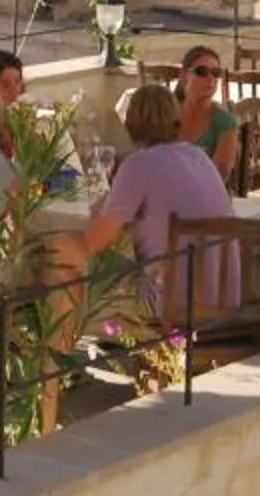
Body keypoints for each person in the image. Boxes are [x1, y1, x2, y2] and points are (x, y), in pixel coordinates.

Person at [86, 80, 236, 312]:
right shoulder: (199, 157)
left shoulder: (138, 164)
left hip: (171, 308)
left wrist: (98, 214)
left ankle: (56, 342)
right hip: (224, 305)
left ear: (131, 124)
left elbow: (96, 242)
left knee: (67, 250)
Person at [173, 45, 239, 189]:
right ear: (184, 76)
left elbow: (219, 177)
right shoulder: (167, 114)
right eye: (202, 72)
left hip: (204, 197)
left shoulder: (225, 122)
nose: (211, 79)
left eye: (216, 72)